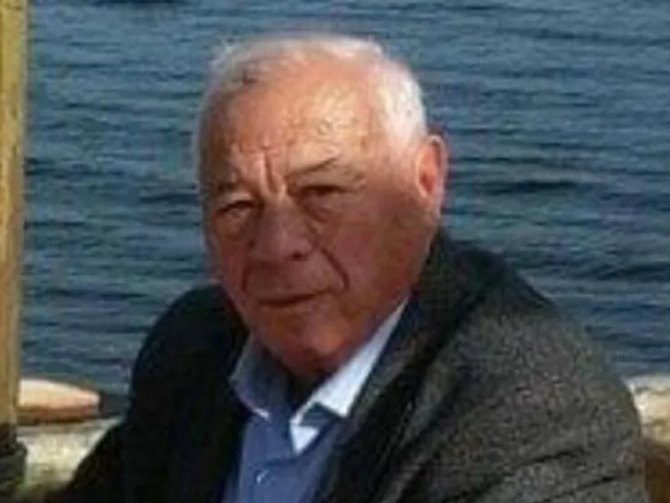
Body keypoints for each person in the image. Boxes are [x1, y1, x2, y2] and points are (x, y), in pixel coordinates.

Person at [42, 34, 650, 503]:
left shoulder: (530, 410)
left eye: (323, 193)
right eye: (237, 207)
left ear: (425, 182)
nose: (277, 246)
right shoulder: (196, 348)